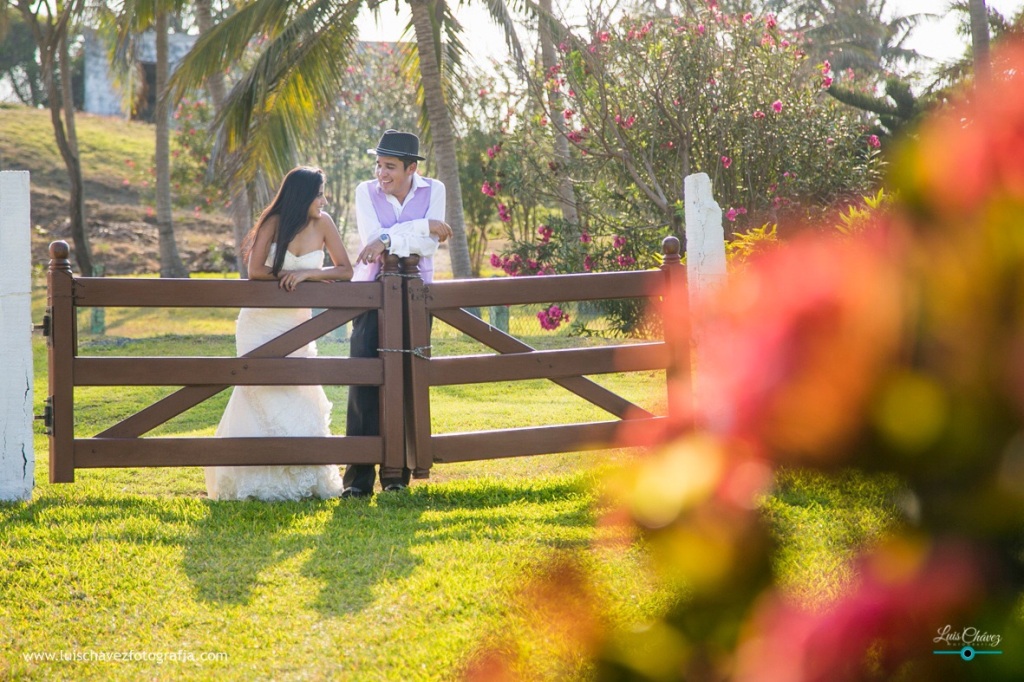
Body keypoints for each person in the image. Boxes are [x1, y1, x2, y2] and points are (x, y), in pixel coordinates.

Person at [206, 166, 354, 501]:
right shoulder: (274, 222)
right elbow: (255, 270)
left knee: (297, 390)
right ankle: (255, 475)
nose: (323, 200)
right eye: (318, 194)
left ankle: (300, 472)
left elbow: (346, 270)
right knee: (259, 390)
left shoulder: (324, 223)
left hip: (299, 325)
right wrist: (287, 273)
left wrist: (308, 276)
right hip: (260, 323)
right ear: (302, 195)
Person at [342, 129, 453, 498]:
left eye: (390, 167)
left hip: (417, 297)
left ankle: (396, 477)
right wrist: (420, 227)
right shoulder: (364, 192)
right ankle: (357, 480)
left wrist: (390, 238)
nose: (381, 174)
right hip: (371, 295)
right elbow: (372, 240)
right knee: (363, 382)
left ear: (410, 168)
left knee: (407, 380)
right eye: (378, 165)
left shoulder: (434, 190)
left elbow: (428, 247)